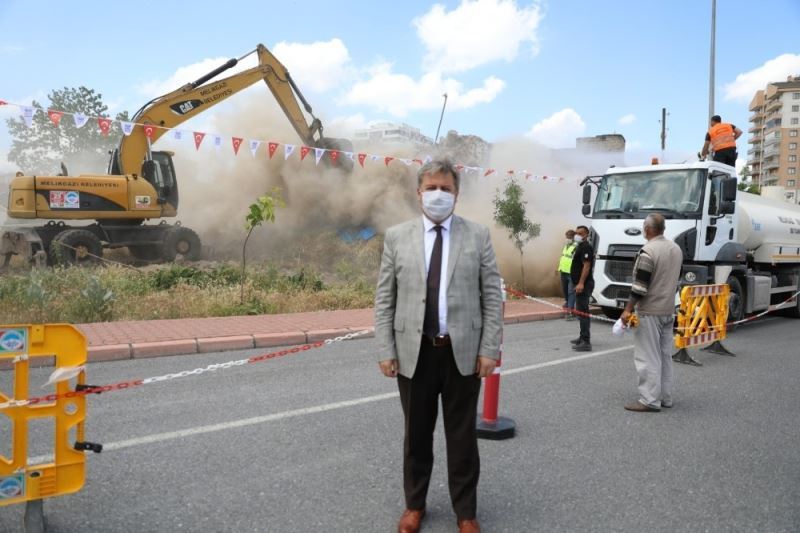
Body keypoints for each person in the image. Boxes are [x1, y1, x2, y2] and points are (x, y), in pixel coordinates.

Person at [375, 159, 503, 533]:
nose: (438, 195)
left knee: (462, 438)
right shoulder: (397, 237)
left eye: (445, 189)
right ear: (418, 193)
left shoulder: (477, 235)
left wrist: (489, 349)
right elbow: (385, 299)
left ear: (456, 195)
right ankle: (414, 505)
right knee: (416, 436)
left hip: (462, 353)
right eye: (431, 188)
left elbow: (491, 296)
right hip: (414, 353)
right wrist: (385, 349)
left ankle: (466, 512)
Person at [620, 213, 683, 413]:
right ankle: (665, 397)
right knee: (664, 356)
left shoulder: (648, 251)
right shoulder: (676, 249)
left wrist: (627, 309)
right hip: (668, 310)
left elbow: (640, 287)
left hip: (649, 311)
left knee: (648, 357)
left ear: (647, 229)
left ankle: (649, 400)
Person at [570, 225, 595, 352]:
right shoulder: (580, 246)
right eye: (576, 233)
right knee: (581, 312)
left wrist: (580, 283)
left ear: (586, 235)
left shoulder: (586, 247)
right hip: (579, 284)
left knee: (583, 313)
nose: (577, 235)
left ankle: (586, 341)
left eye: (580, 233)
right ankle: (582, 337)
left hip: (584, 285)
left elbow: (587, 266)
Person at [557, 229, 577, 320]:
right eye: (566, 237)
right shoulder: (566, 246)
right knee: (565, 289)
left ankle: (570, 311)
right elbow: (564, 257)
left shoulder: (576, 246)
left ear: (573, 237)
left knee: (570, 291)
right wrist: (559, 268)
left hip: (571, 272)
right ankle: (568, 303)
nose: (567, 239)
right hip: (563, 271)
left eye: (569, 237)